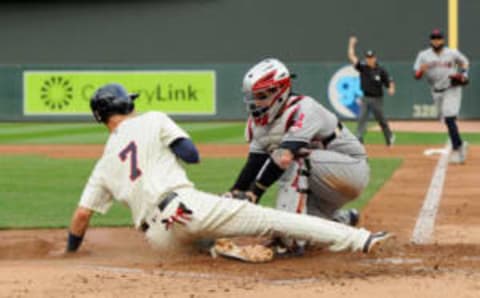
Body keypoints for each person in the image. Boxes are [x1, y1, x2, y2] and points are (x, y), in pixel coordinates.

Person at [65, 83, 391, 257]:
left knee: (206, 242)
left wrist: (70, 252)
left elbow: (81, 217)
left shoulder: (104, 163)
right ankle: (358, 239)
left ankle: (219, 249)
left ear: (100, 117)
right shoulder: (151, 119)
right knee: (274, 220)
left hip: (159, 238)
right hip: (185, 208)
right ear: (128, 105)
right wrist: (177, 150)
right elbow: (190, 155)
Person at [225, 58, 375, 254]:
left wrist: (255, 193)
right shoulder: (258, 124)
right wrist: (233, 195)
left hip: (351, 170)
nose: (255, 102)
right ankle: (340, 220)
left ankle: (289, 241)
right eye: (253, 96)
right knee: (310, 228)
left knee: (295, 159)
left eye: (261, 95)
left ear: (279, 91)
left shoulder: (304, 108)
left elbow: (285, 156)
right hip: (321, 184)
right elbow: (253, 165)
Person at [413, 29, 469, 164]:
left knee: (449, 117)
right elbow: (416, 75)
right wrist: (421, 70)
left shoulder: (452, 52)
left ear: (443, 40)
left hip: (451, 88)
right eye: (434, 38)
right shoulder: (424, 55)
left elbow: (464, 62)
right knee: (445, 120)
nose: (436, 40)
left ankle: (458, 149)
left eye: (438, 38)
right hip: (436, 91)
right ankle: (460, 143)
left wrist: (464, 74)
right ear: (430, 40)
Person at [348, 36, 396, 146]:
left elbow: (389, 81)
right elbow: (352, 56)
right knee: (361, 119)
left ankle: (389, 137)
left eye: (371, 57)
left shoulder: (381, 70)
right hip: (365, 97)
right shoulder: (363, 67)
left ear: (375, 58)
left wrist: (391, 88)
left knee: (381, 120)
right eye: (368, 57)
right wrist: (351, 44)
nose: (369, 59)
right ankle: (359, 139)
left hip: (377, 99)